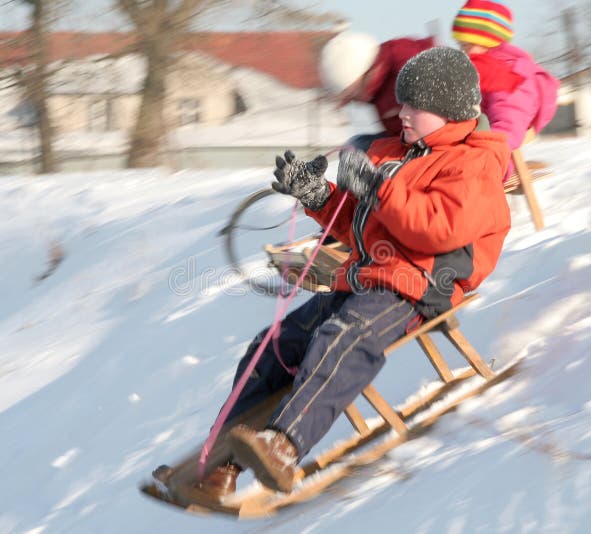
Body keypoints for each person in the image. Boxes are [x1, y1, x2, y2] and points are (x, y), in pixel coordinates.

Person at [188, 47, 512, 500]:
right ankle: (219, 460)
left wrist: (378, 189)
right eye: (402, 102)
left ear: (449, 110)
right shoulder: (393, 153)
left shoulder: (472, 164)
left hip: (417, 284)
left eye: (414, 106)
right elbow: (359, 223)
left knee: (343, 337)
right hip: (367, 275)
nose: (402, 112)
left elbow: (437, 229)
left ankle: (283, 445)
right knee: (273, 344)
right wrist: (319, 194)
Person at [452, 0, 560, 180]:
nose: (464, 54)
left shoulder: (507, 76)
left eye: (467, 46)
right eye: (461, 47)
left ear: (487, 41)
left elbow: (508, 126)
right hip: (468, 149)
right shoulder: (482, 70)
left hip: (490, 159)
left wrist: (484, 157)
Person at [319, 31, 436, 151]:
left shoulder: (407, 70)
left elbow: (430, 128)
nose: (354, 102)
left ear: (359, 76)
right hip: (407, 142)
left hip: (429, 146)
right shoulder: (379, 86)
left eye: (351, 95)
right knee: (355, 146)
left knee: (358, 149)